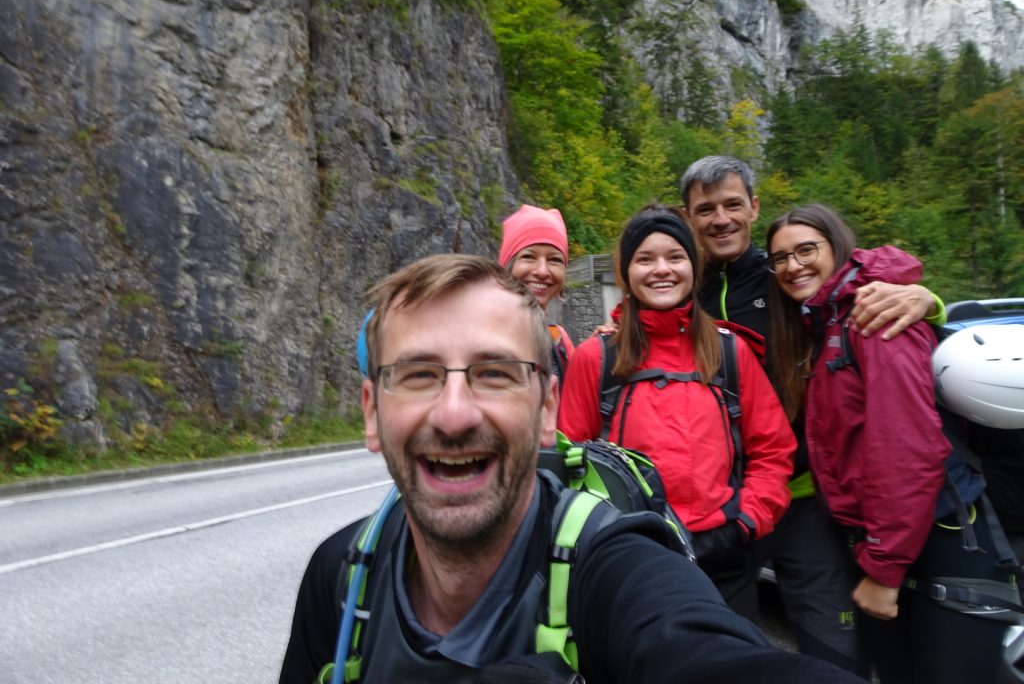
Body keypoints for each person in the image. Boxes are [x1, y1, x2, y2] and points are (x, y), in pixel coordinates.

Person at [279, 253, 866, 684]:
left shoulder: (612, 565)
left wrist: (740, 522)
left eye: (495, 373)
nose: (454, 415)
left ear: (547, 410)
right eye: (417, 374)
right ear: (371, 413)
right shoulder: (340, 574)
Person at [679, 155, 943, 676]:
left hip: (803, 496)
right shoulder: (683, 288)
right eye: (705, 209)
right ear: (689, 218)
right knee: (719, 647)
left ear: (753, 207)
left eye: (733, 204)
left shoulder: (782, 273)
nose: (721, 218)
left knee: (834, 649)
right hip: (719, 500)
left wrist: (926, 298)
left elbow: (854, 290)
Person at [765, 204, 1013, 683]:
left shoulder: (874, 318)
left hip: (938, 534)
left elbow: (907, 451)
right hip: (903, 539)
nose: (793, 266)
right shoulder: (832, 319)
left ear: (837, 247)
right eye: (780, 258)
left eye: (805, 250)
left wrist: (883, 567)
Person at [557, 205, 796, 620]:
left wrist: (744, 524)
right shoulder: (596, 358)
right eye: (645, 259)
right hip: (631, 557)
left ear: (693, 265)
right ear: (626, 272)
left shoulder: (729, 352)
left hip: (726, 558)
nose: (661, 270)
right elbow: (568, 461)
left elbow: (773, 449)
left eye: (675, 256)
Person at [499, 204, 575, 385]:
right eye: (529, 257)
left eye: (554, 260)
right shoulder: (476, 335)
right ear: (507, 265)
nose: (542, 271)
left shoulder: (559, 341)